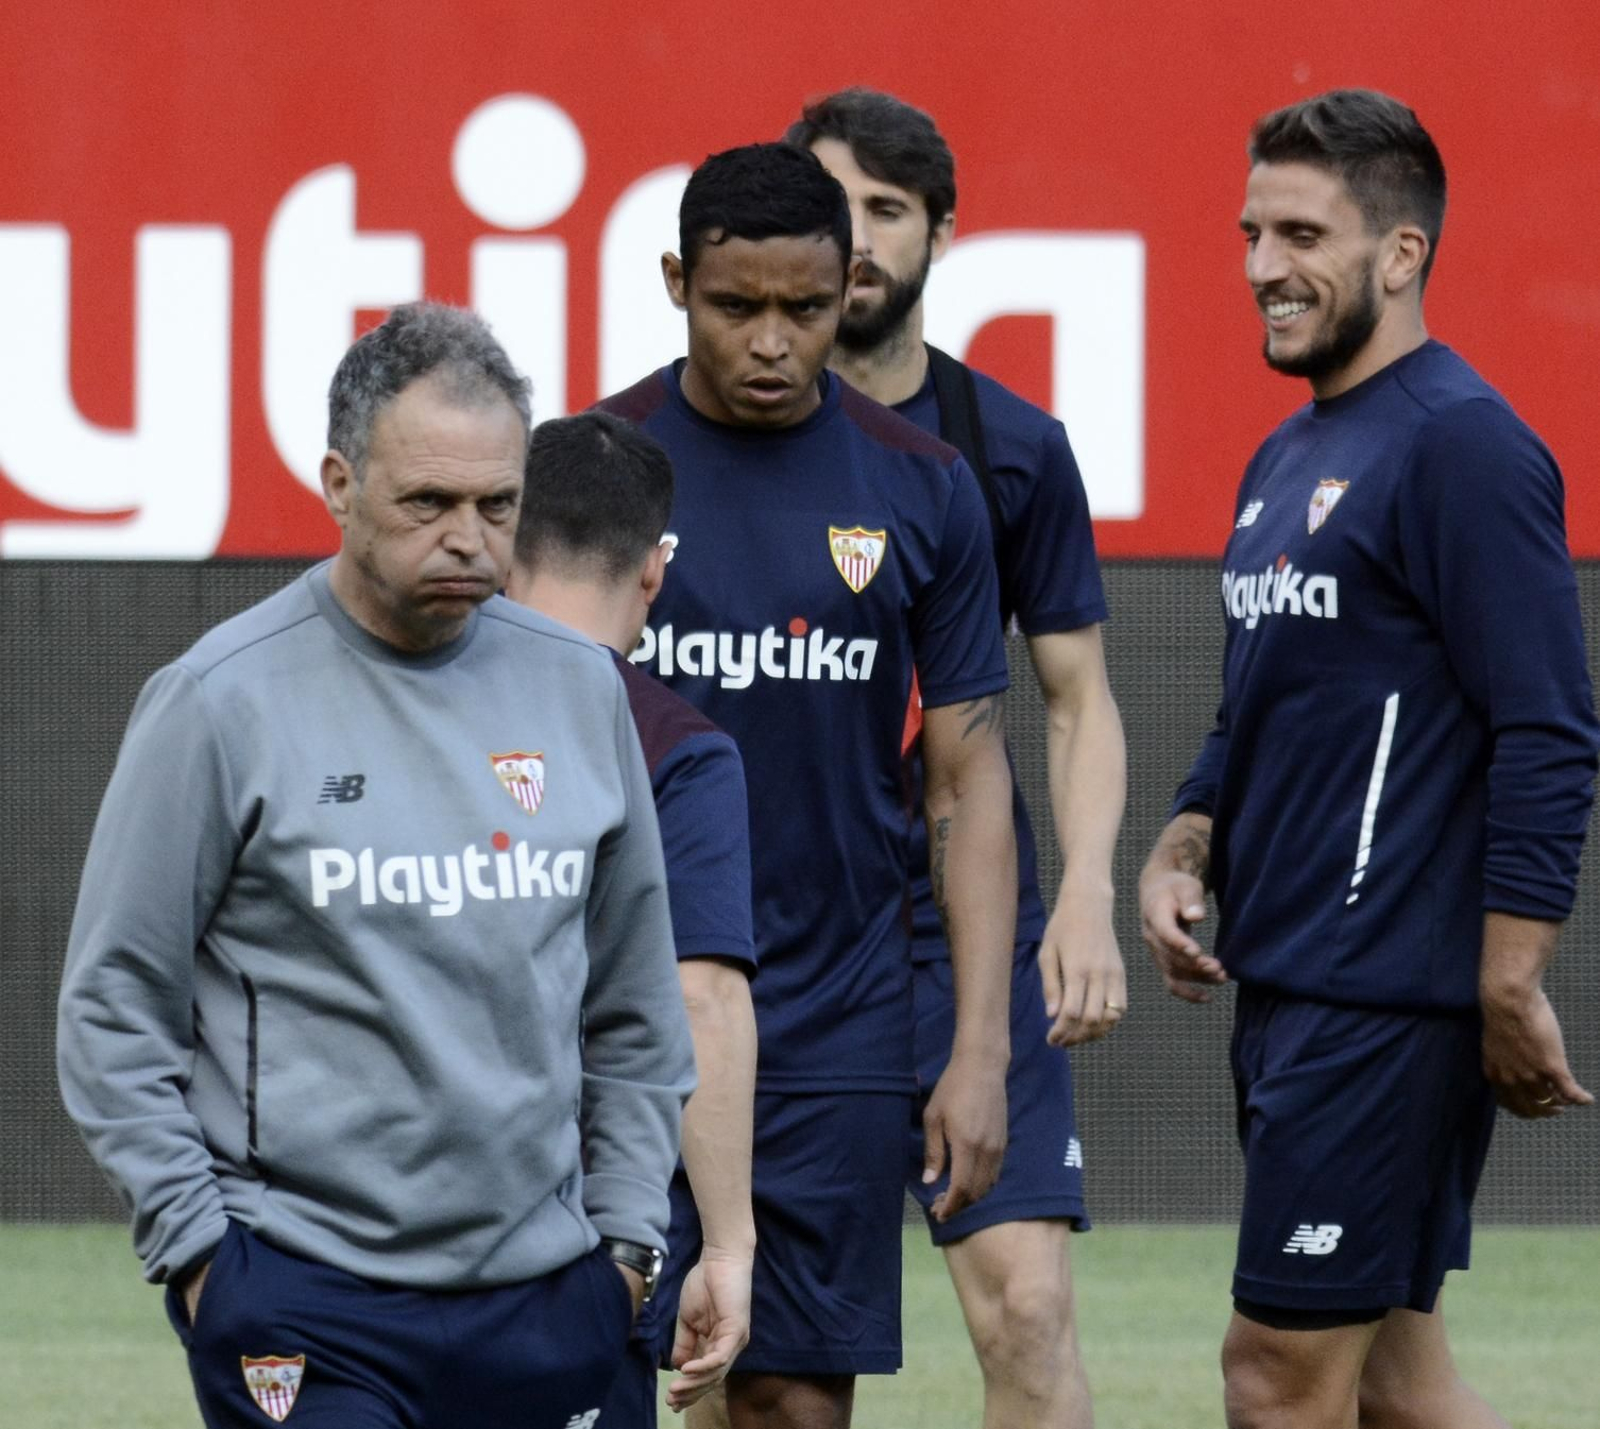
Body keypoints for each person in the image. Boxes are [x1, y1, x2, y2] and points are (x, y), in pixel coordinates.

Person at [56, 302, 696, 1429]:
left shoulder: (580, 688)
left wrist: (628, 1246)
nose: (468, 538)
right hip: (305, 1298)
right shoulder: (218, 701)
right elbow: (113, 1008)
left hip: (555, 1297)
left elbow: (637, 1005)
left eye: (497, 505)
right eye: (427, 502)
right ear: (340, 486)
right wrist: (201, 1255)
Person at [1137, 90, 1598, 1429]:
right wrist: (1185, 838)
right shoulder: (1284, 454)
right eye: (1250, 232)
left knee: (1273, 1379)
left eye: (1300, 234)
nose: (1260, 266)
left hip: (1382, 1002)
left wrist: (1508, 977)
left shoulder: (1463, 443)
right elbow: (1259, 707)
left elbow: (1550, 726)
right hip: (1288, 985)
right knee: (1400, 1386)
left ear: (1401, 253)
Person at [600, 141, 1018, 1429]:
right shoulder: (593, 469)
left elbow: (966, 780)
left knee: (790, 1400)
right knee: (581, 1382)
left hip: (832, 1026)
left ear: (851, 289)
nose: (773, 341)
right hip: (610, 1019)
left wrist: (978, 1047)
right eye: (737, 306)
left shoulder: (923, 485)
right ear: (676, 282)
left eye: (807, 307)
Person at [787, 88, 1126, 1429]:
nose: (860, 237)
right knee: (766, 1368)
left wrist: (1086, 893)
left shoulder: (1014, 449)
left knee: (1028, 1309)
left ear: (940, 233)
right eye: (835, 207)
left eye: (889, 209)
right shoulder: (699, 443)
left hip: (959, 930)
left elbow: (1078, 697)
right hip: (776, 937)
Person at [506, 410, 759, 1421]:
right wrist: (728, 1243)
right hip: (572, 1247)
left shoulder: (396, 706)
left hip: (369, 1238)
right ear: (654, 569)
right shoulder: (676, 749)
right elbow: (698, 999)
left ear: (503, 540)